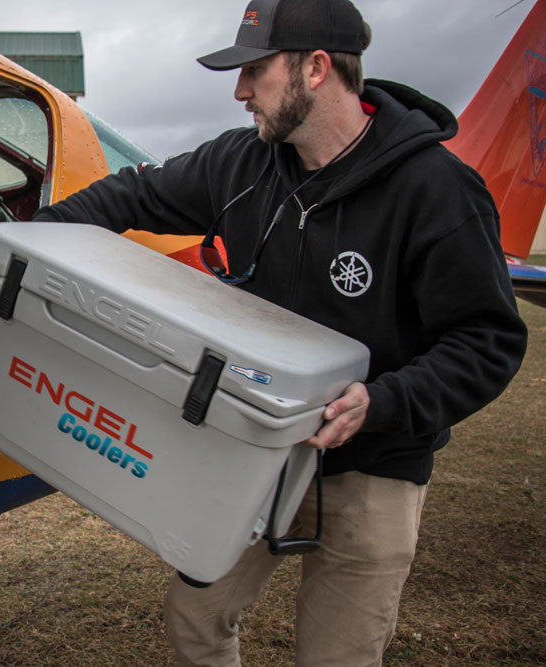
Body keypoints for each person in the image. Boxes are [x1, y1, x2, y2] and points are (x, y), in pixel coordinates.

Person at [31, 0, 528, 664]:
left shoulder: (436, 188)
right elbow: (133, 196)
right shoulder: (241, 164)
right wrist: (28, 239)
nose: (239, 91)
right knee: (194, 617)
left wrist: (382, 403)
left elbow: (487, 339)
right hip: (257, 454)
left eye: (256, 72)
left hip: (372, 468)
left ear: (316, 68)